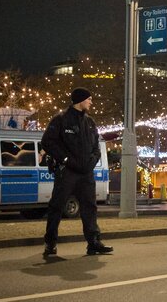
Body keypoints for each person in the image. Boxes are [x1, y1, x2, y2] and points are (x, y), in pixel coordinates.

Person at [41, 87, 113, 257]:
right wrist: (65, 160)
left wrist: (92, 162)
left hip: (86, 172)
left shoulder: (90, 122)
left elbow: (96, 147)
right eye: (89, 99)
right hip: (67, 172)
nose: (91, 102)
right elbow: (47, 142)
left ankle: (93, 243)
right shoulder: (60, 119)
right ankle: (50, 243)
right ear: (80, 100)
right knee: (57, 207)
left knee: (90, 207)